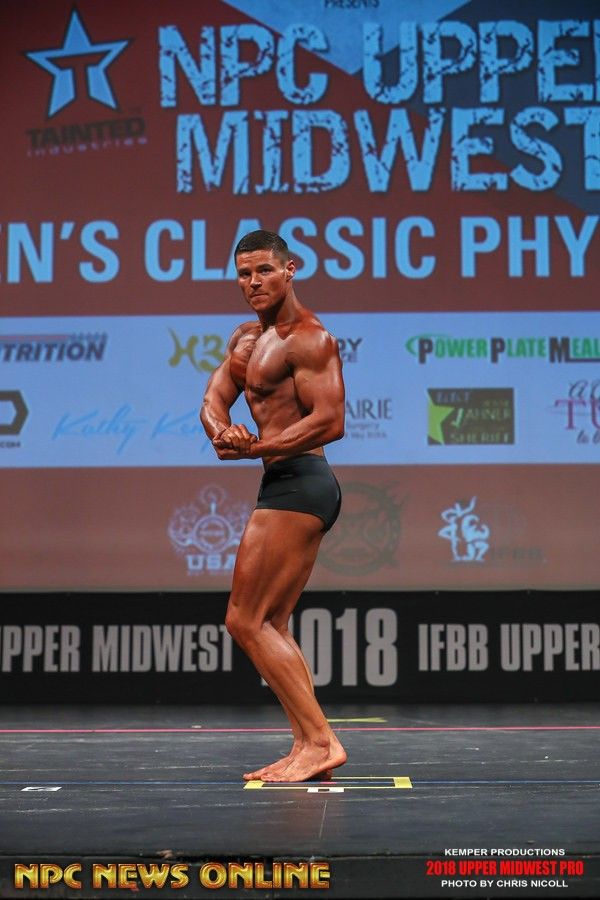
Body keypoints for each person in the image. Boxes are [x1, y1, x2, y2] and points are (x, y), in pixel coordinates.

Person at [200, 230, 346, 783]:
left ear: (290, 269)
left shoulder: (310, 338)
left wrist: (255, 447)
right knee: (272, 623)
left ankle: (322, 741)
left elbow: (330, 420)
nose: (253, 282)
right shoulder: (245, 339)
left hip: (302, 482)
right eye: (244, 273)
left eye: (264, 270)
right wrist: (223, 432)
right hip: (283, 481)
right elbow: (213, 399)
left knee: (245, 619)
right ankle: (307, 744)